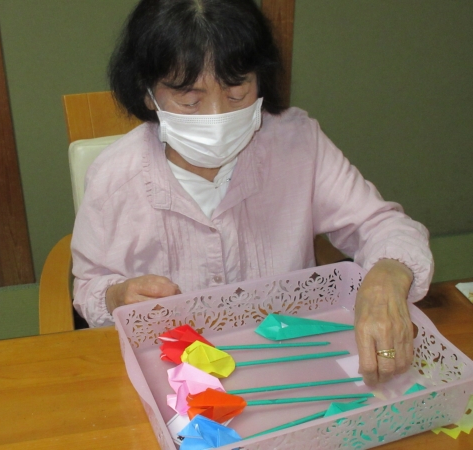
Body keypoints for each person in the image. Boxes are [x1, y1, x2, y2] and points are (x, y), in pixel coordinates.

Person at [71, 0, 433, 386]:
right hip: (173, 382)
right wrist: (117, 296)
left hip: (292, 366)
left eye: (237, 91)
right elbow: (89, 287)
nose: (217, 116)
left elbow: (383, 226)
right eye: (190, 100)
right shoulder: (114, 177)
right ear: (148, 94)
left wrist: (389, 273)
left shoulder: (299, 144)